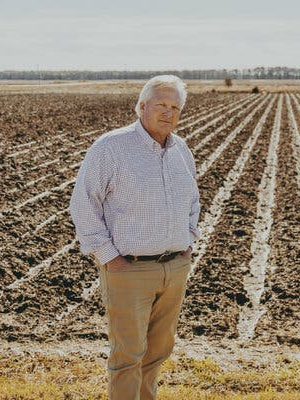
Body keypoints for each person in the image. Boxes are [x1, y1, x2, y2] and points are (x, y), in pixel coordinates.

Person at [69, 75, 201, 400]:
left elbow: (193, 200)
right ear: (142, 106)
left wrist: (188, 242)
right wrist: (107, 255)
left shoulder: (180, 149)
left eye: (175, 107)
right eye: (161, 105)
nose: (168, 113)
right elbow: (84, 202)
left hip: (174, 269)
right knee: (128, 355)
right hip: (129, 269)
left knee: (157, 352)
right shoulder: (111, 147)